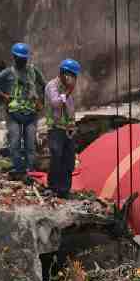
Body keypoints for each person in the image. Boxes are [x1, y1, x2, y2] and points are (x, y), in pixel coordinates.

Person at [0, 43, 46, 181]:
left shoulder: (33, 71)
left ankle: (30, 172)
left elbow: (45, 86)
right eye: (19, 58)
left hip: (31, 114)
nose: (22, 61)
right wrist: (2, 94)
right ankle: (19, 170)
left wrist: (42, 101)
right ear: (14, 57)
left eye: (24, 58)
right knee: (14, 144)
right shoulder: (8, 72)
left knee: (31, 145)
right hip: (13, 115)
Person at [45, 59, 80, 198]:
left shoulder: (68, 90)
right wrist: (68, 93)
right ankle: (53, 187)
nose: (72, 78)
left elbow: (70, 109)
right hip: (55, 127)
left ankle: (65, 190)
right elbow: (55, 103)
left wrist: (73, 124)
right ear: (62, 73)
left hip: (68, 129)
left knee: (69, 159)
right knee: (56, 156)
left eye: (74, 75)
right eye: (70, 74)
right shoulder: (52, 86)